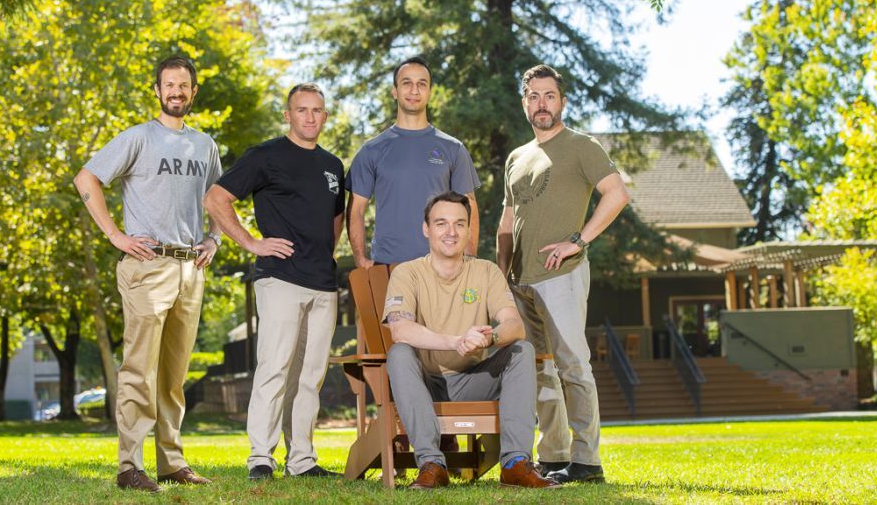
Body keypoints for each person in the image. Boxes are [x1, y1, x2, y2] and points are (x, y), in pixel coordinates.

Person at [74, 55, 221, 492]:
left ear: (194, 92)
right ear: (156, 91)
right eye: (169, 85)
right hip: (146, 265)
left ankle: (171, 462)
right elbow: (86, 179)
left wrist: (214, 238)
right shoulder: (138, 138)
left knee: (174, 374)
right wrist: (115, 235)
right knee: (139, 369)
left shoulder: (205, 146)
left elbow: (218, 199)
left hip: (190, 268)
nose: (177, 92)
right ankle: (129, 466)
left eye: (184, 86)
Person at [496, 64, 631, 484]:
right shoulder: (517, 157)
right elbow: (507, 218)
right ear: (524, 104)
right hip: (521, 281)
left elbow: (617, 194)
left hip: (562, 275)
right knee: (540, 369)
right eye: (533, 96)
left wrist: (579, 240)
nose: (542, 104)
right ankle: (553, 456)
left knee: (573, 366)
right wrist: (501, 272)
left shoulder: (581, 146)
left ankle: (587, 460)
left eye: (549, 96)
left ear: (562, 101)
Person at [204, 82, 345, 481]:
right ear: (288, 114)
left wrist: (324, 252)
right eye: (302, 110)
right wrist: (251, 242)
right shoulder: (265, 156)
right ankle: (260, 458)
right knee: (275, 368)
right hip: (279, 278)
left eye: (317, 111)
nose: (310, 117)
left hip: (322, 283)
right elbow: (215, 197)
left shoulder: (333, 165)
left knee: (310, 374)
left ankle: (301, 460)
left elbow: (336, 217)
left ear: (325, 116)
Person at [383, 191, 560, 490]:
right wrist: (455, 341)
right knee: (399, 352)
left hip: (473, 381)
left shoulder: (486, 271)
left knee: (522, 350)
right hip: (423, 382)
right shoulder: (407, 273)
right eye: (441, 223)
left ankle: (515, 464)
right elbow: (401, 330)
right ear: (426, 229)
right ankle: (431, 465)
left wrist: (489, 337)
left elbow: (515, 326)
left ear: (468, 230)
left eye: (459, 224)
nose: (451, 232)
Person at [346, 56, 481, 268]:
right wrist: (361, 260)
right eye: (407, 83)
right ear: (395, 91)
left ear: (429, 92)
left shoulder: (453, 148)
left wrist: (470, 261)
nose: (414, 90)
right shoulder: (371, 150)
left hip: (441, 266)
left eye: (422, 84)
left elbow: (469, 205)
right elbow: (356, 210)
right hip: (388, 267)